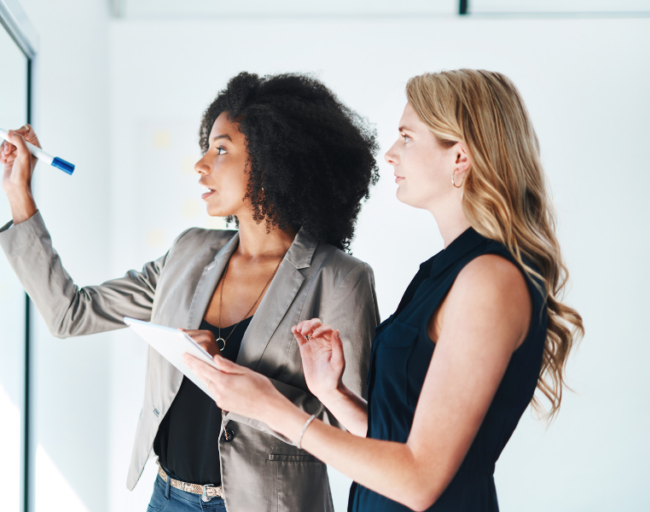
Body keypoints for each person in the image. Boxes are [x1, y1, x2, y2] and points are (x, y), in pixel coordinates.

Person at [185, 69, 585, 512]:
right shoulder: (446, 272)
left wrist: (272, 408)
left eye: (407, 138)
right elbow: (400, 438)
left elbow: (418, 480)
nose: (390, 155)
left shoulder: (488, 281)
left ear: (460, 158)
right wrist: (332, 394)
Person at [0, 72, 380, 511]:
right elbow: (70, 313)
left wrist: (244, 383)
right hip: (167, 498)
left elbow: (357, 435)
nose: (200, 165)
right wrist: (17, 193)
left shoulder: (341, 279)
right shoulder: (188, 252)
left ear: (275, 160)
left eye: (221, 149)